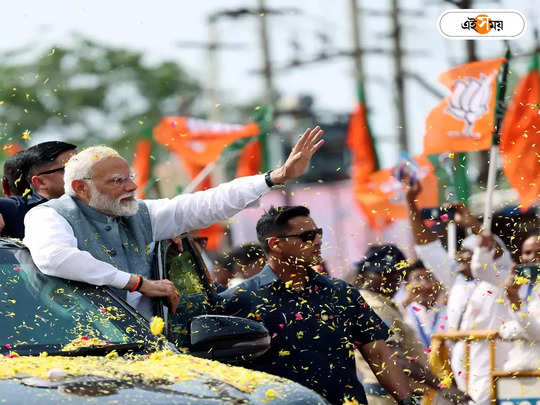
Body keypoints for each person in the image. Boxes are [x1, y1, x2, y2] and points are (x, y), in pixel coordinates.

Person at [23, 126, 324, 319]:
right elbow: (56, 258)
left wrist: (274, 178)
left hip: (150, 348)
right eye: (118, 181)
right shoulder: (48, 215)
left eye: (130, 178)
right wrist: (137, 283)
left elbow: (205, 204)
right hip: (78, 351)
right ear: (81, 188)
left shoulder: (138, 213)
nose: (131, 187)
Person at [220, 206, 414, 405]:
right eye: (308, 236)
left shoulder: (341, 292)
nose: (318, 241)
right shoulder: (239, 300)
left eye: (318, 234)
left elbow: (378, 353)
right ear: (276, 244)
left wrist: (407, 402)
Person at [403, 177, 515, 405]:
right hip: (460, 367)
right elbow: (427, 247)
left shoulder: (500, 279)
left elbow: (495, 250)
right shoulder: (457, 282)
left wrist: (472, 223)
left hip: (495, 368)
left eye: (471, 255)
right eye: (462, 254)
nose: (464, 258)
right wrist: (410, 202)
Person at [353, 245, 467, 405]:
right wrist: (443, 388)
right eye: (394, 274)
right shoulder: (377, 307)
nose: (397, 280)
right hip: (387, 398)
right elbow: (396, 358)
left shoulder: (378, 303)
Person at [0, 141, 76, 239]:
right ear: (40, 182)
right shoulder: (15, 209)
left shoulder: (95, 203)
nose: (80, 172)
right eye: (68, 168)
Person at [500, 232, 540, 371]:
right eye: (528, 252)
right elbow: (503, 329)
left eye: (539, 252)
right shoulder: (517, 287)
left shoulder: (514, 292)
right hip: (516, 372)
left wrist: (514, 299)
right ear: (521, 257)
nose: (533, 257)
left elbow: (537, 333)